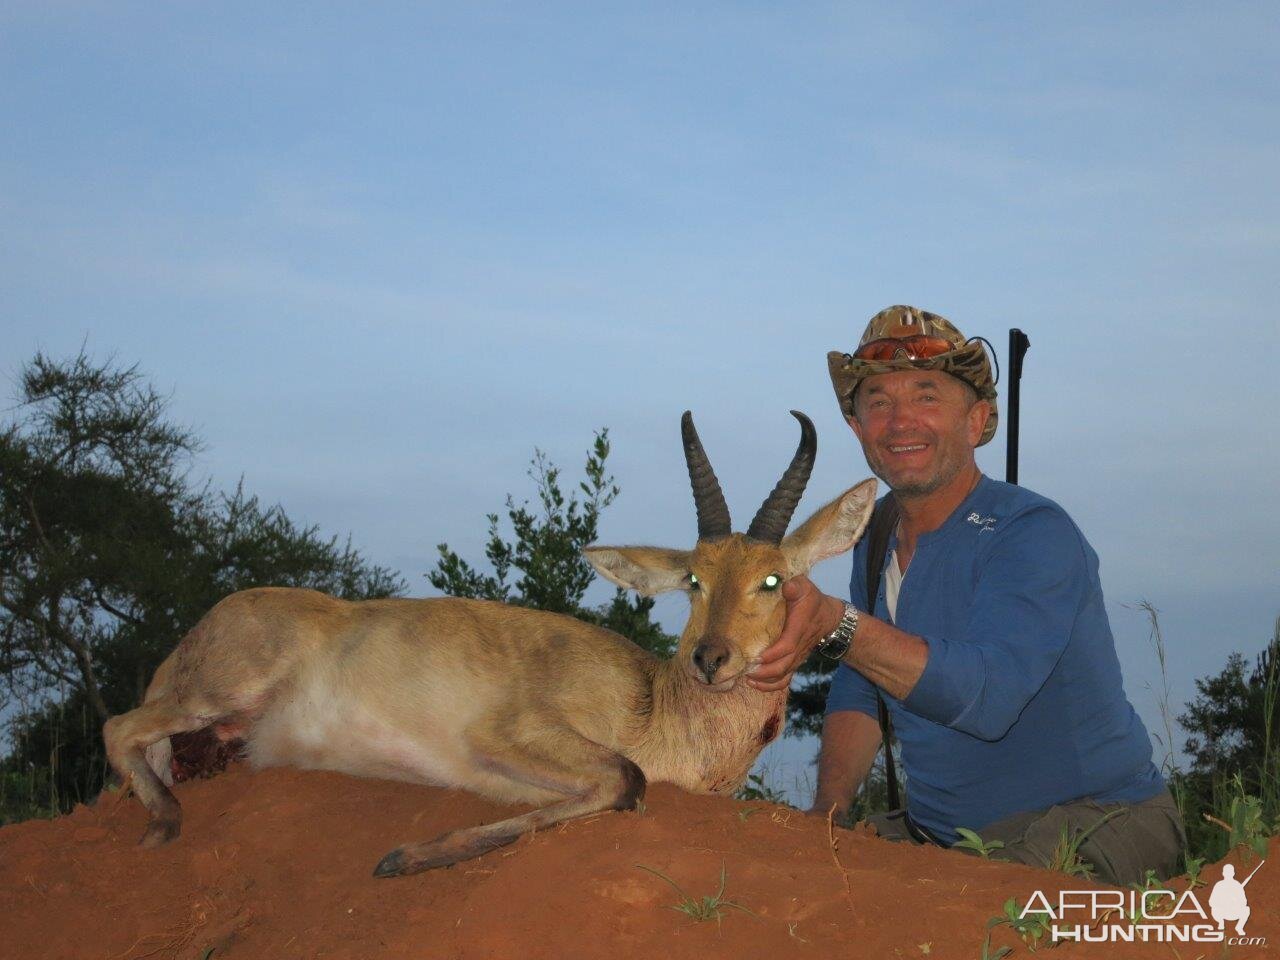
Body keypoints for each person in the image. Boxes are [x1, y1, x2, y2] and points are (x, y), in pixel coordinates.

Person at [746, 305, 1185, 886]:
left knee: (959, 915)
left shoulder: (1035, 532)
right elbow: (862, 681)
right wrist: (829, 811)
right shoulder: (874, 534)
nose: (901, 422)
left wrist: (835, 621)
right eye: (878, 402)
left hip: (1094, 821)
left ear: (976, 421)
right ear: (857, 430)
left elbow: (989, 697)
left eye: (927, 396)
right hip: (945, 837)